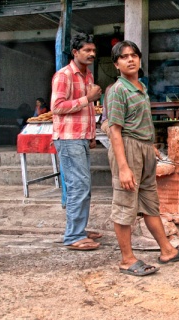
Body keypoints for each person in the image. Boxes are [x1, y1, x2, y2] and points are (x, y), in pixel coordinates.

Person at [107, 40, 179, 276]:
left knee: (150, 204)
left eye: (134, 55)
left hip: (144, 150)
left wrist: (151, 146)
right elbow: (115, 131)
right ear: (116, 64)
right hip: (127, 151)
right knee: (125, 205)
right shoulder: (118, 90)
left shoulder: (140, 87)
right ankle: (127, 259)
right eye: (124, 57)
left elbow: (139, 123)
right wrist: (124, 167)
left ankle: (167, 250)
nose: (130, 60)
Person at [50, 33, 103, 251]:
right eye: (86, 50)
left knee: (83, 186)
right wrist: (87, 99)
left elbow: (87, 110)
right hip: (69, 138)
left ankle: (78, 228)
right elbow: (57, 107)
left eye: (93, 50)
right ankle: (73, 236)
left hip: (80, 137)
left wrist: (91, 134)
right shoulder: (63, 75)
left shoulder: (88, 76)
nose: (91, 54)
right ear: (75, 52)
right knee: (78, 186)